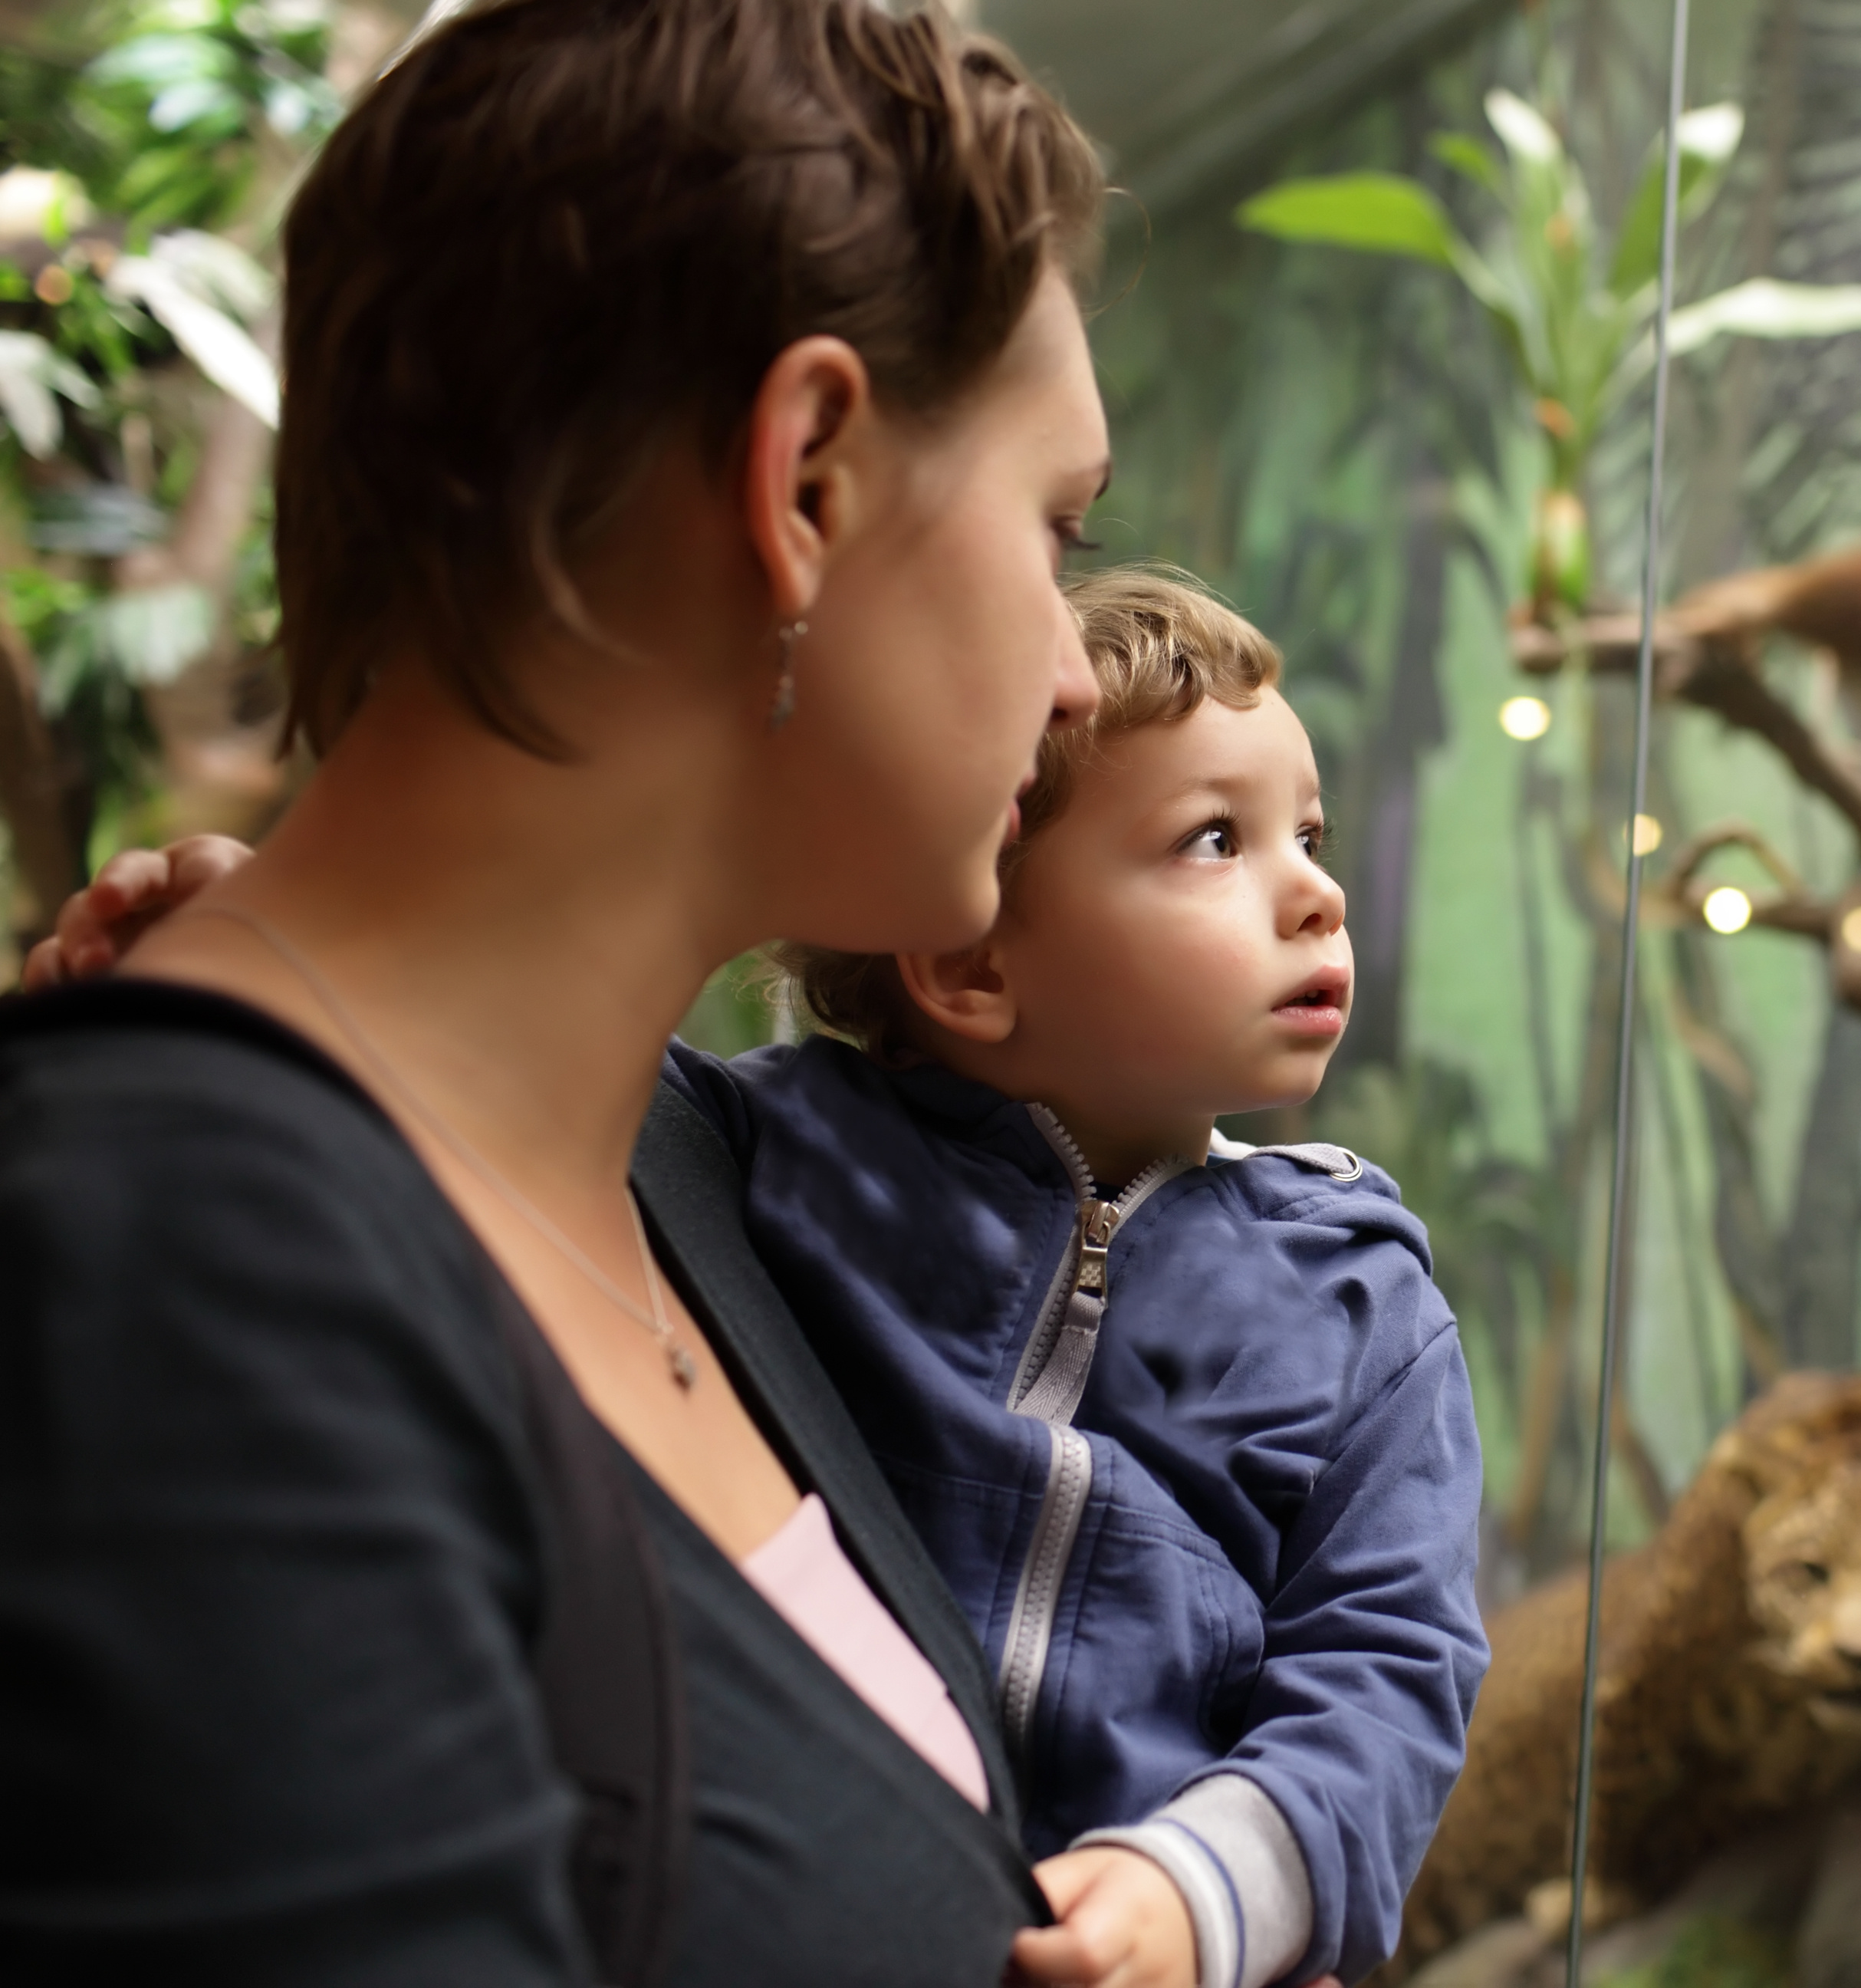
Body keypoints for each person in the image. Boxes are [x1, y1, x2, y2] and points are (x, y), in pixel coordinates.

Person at [0, 0, 1120, 1980]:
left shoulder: (676, 1164)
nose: (1082, 672)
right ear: (808, 482)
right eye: (1057, 529)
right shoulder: (188, 1274)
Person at [686, 565, 1488, 1988]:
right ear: (973, 959)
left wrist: (1208, 1889)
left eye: (1307, 830)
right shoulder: (774, 1154)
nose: (1318, 892)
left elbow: (1389, 1677)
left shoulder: (1365, 1311)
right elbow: (514, 1065)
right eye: (1213, 841)